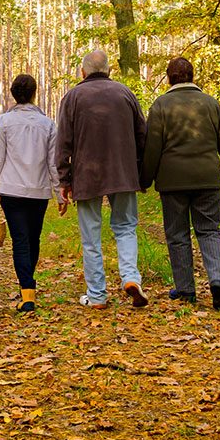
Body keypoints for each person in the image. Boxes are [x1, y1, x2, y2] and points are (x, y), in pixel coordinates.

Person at [140, 57, 220, 311]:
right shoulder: (210, 103)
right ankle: (217, 280)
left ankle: (186, 289)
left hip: (172, 181)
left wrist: (145, 179)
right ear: (192, 76)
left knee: (177, 234)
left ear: (169, 78)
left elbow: (152, 147)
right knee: (209, 230)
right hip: (207, 179)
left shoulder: (161, 105)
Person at [55, 50, 148, 309]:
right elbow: (143, 135)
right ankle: (130, 278)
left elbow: (63, 143)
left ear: (83, 72)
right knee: (126, 227)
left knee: (91, 237)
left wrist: (64, 180)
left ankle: (96, 295)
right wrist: (141, 172)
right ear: (110, 70)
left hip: (87, 177)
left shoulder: (73, 97)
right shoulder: (125, 94)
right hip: (123, 173)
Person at [0, 74, 66, 313]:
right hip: (38, 192)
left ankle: (27, 292)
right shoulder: (47, 124)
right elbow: (53, 164)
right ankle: (28, 289)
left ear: (13, 94)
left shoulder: (4, 122)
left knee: (21, 242)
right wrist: (59, 194)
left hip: (12, 192)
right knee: (32, 240)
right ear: (34, 93)